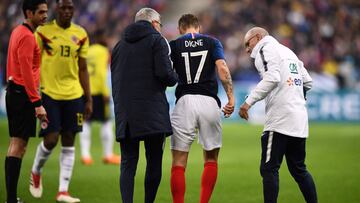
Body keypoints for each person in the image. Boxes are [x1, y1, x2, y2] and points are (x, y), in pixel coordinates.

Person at [239, 27, 317, 203]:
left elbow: (272, 78)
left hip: (280, 120)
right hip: (299, 120)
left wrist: (248, 102)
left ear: (258, 37)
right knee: (299, 169)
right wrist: (294, 98)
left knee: (269, 169)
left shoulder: (264, 48)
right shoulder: (288, 51)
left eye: (247, 43)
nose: (247, 49)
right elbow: (308, 82)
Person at [111, 7, 178, 203]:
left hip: (126, 113)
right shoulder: (157, 41)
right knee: (154, 161)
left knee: (128, 164)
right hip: (152, 111)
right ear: (155, 24)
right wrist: (176, 76)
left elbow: (116, 81)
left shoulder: (118, 45)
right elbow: (166, 75)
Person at [28, 0, 92, 202]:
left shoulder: (81, 34)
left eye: (70, 8)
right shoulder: (43, 33)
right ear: (56, 9)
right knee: (51, 139)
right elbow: (32, 62)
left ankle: (63, 191)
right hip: (49, 94)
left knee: (69, 140)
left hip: (74, 94)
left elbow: (82, 68)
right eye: (63, 7)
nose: (66, 11)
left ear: (73, 10)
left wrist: (88, 98)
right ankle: (36, 172)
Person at [169, 14, 235, 203]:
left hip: (184, 102)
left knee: (179, 162)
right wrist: (230, 97)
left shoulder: (174, 45)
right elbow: (222, 67)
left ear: (180, 29)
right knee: (211, 159)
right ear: (198, 28)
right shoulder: (212, 42)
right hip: (209, 102)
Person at [4, 0, 48, 202]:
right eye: (41, 12)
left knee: (16, 145)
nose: (45, 15)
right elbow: (26, 72)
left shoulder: (17, 32)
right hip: (22, 95)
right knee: (18, 146)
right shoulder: (28, 37)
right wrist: (37, 103)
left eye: (46, 11)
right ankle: (11, 199)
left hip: (15, 91)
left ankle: (11, 198)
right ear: (29, 13)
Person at [79, 29, 120, 166]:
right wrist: (106, 92)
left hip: (84, 91)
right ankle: (108, 155)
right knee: (107, 122)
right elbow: (102, 73)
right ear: (102, 37)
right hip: (98, 91)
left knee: (86, 123)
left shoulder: (87, 51)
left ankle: (85, 156)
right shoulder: (103, 51)